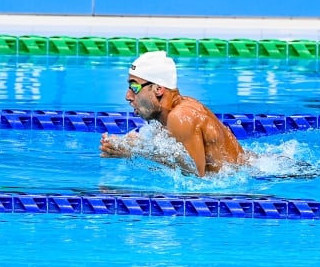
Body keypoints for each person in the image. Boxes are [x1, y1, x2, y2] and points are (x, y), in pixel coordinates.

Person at [99, 51, 246, 177]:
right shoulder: (169, 114)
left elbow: (197, 177)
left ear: (158, 89)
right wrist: (131, 145)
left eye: (134, 87)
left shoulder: (181, 117)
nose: (128, 96)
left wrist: (134, 152)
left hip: (246, 183)